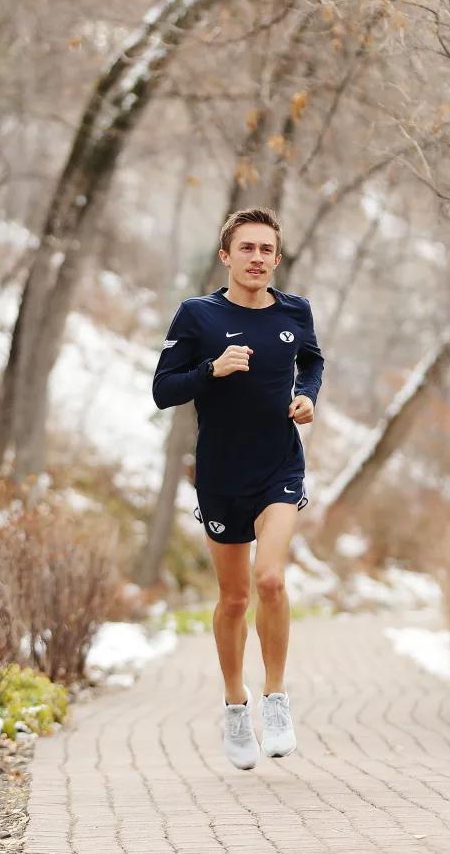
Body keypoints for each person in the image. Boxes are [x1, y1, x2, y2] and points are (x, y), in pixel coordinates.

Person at [151, 206, 325, 770]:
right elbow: (163, 389)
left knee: (270, 579)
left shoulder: (295, 311)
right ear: (226, 255)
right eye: (246, 248)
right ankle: (234, 705)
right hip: (221, 476)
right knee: (233, 598)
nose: (257, 259)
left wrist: (308, 397)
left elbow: (312, 361)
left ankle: (275, 698)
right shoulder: (197, 316)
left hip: (279, 467)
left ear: (277, 258)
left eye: (266, 250)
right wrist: (212, 371)